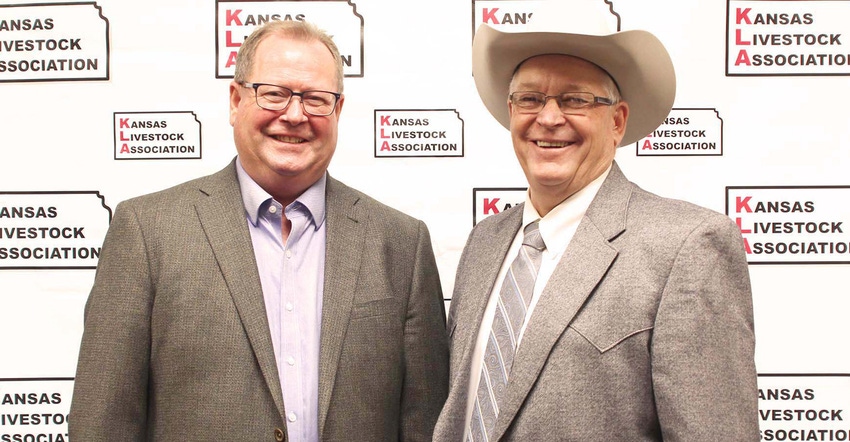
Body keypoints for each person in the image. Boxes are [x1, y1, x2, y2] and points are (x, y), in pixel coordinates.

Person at [69, 20, 449, 442]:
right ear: (235, 101)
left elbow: (426, 424)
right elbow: (101, 422)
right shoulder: (147, 232)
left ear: (337, 111)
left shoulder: (401, 243)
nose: (294, 114)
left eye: (316, 99)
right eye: (274, 93)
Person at [433, 2, 759, 441]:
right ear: (511, 112)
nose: (548, 118)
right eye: (530, 98)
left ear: (617, 121)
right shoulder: (486, 241)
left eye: (575, 99)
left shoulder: (687, 246)